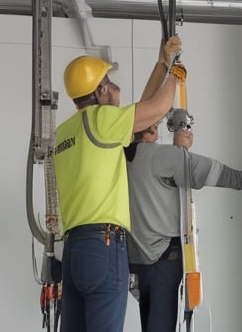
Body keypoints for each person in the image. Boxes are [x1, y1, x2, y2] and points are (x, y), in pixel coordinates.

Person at [53, 36, 184, 332]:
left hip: (73, 251)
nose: (116, 88)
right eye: (110, 82)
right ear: (100, 91)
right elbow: (157, 107)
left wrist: (162, 61)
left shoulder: (66, 132)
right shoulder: (102, 121)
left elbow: (143, 110)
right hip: (104, 245)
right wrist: (176, 70)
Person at [126, 111, 242, 332]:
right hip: (162, 256)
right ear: (150, 130)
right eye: (157, 124)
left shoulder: (124, 157)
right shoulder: (161, 156)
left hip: (136, 260)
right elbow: (203, 170)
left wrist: (177, 150)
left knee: (150, 323)